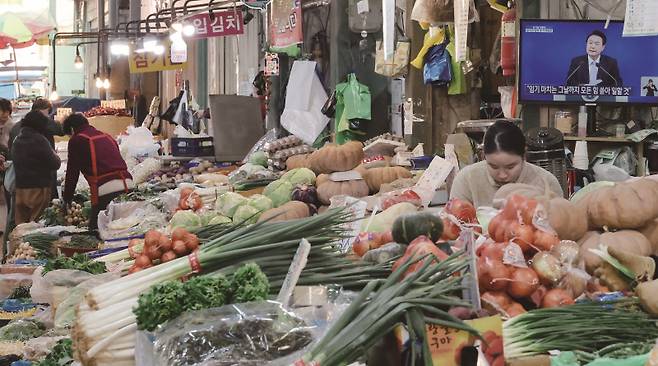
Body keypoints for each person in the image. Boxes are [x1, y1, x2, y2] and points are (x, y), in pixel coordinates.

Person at [449, 120, 563, 208]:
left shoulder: (546, 183)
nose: (502, 175)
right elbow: (455, 223)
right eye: (493, 166)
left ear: (524, 155)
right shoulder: (467, 180)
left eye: (510, 167)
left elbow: (561, 225)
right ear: (483, 156)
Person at [62, 114, 134, 231]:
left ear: (71, 129)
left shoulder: (77, 140)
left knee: (97, 231)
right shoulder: (107, 136)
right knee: (123, 229)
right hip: (128, 184)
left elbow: (72, 173)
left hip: (106, 188)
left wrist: (67, 199)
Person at [11, 111, 61, 224]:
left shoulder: (17, 139)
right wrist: (54, 153)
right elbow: (55, 163)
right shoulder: (39, 140)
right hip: (38, 189)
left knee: (21, 226)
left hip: (20, 189)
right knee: (35, 225)